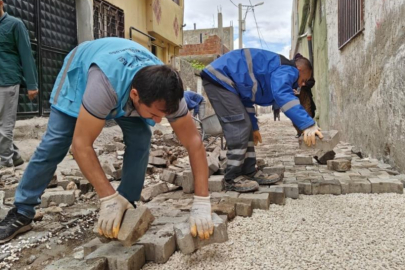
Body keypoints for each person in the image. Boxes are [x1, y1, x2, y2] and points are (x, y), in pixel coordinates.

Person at [0, 37, 214, 244]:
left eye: (163, 116)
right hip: (82, 71)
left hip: (123, 83)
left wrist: (202, 201)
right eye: (155, 114)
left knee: (141, 137)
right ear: (135, 95)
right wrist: (107, 198)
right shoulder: (103, 87)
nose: (159, 121)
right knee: (55, 143)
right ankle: (22, 210)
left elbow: (194, 143)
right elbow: (81, 145)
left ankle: (127, 201)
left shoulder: (168, 92)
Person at [201, 49, 323, 192]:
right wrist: (308, 124)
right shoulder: (289, 70)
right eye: (304, 80)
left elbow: (247, 101)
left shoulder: (270, 71)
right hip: (219, 79)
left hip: (226, 82)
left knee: (246, 127)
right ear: (299, 69)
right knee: (239, 126)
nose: (302, 84)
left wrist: (254, 127)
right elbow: (283, 95)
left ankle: (249, 171)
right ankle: (232, 178)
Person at [0, 0, 38, 169]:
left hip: (8, 81)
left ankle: (4, 163)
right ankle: (14, 156)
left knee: (5, 126)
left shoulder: (15, 24)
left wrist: (32, 84)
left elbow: (26, 54)